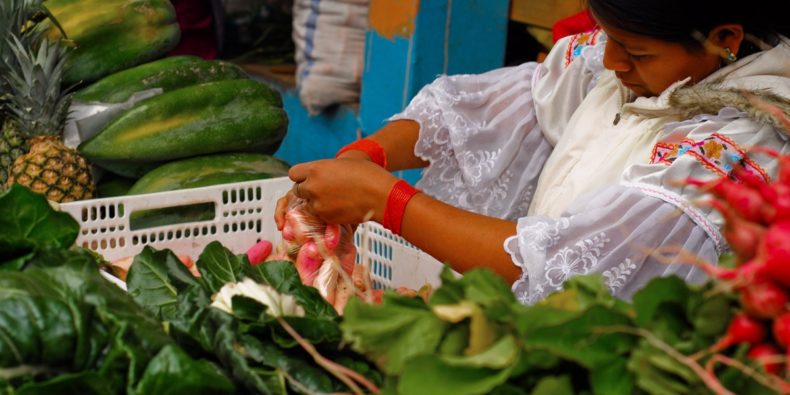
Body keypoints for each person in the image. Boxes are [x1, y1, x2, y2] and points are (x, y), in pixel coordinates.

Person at [276, 0, 790, 304]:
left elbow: (571, 265)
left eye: (635, 52)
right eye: (605, 36)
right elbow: (488, 108)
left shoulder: (746, 147)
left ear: (724, 39)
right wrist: (364, 158)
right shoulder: (629, 69)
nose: (611, 61)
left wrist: (382, 201)